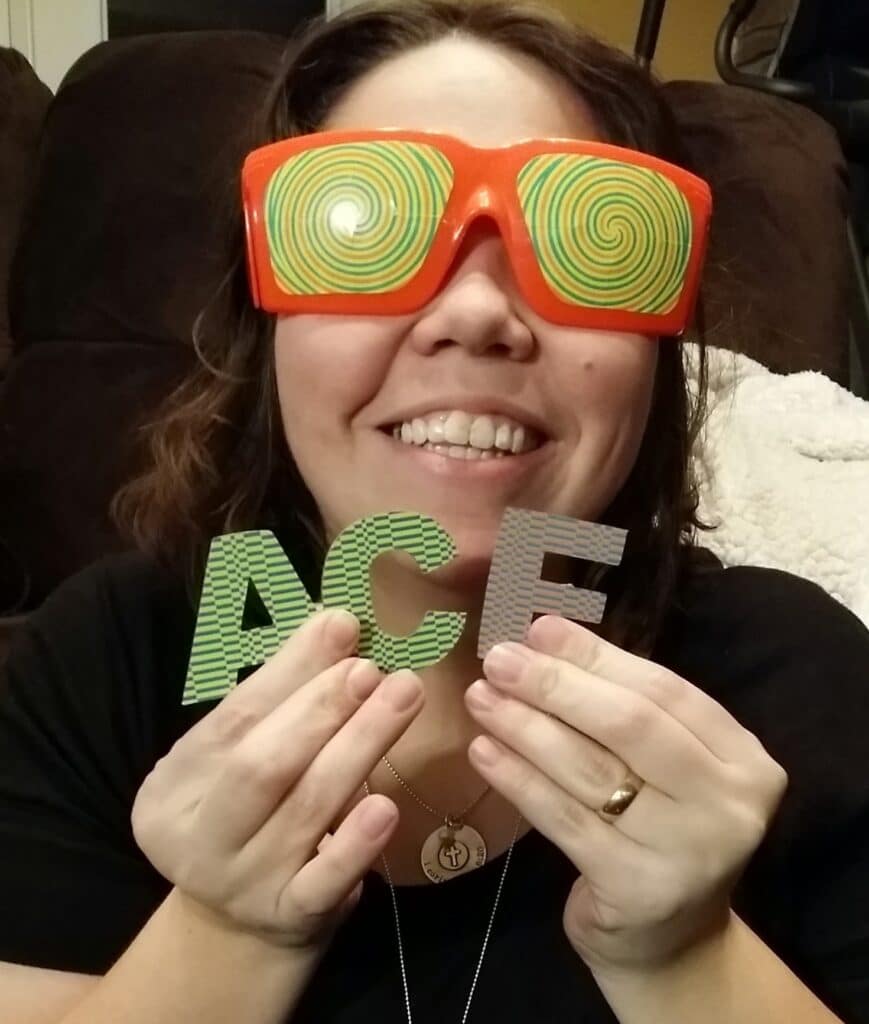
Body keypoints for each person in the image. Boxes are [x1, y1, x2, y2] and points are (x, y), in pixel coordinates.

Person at [1, 2, 867, 1022]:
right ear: (265, 330)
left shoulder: (799, 675)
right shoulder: (103, 665)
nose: (474, 314)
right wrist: (223, 934)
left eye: (584, 239)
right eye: (363, 227)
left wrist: (687, 957)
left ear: (653, 366)